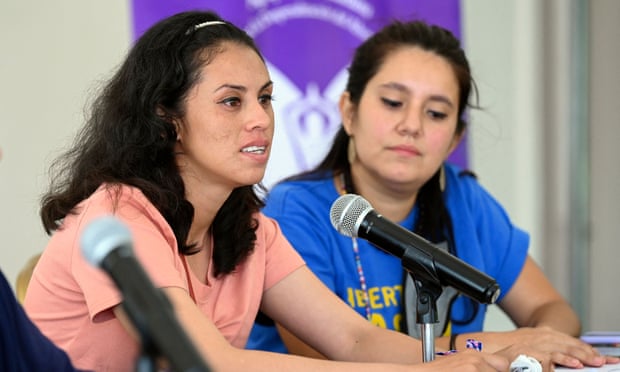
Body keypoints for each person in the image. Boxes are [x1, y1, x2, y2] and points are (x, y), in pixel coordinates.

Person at [22, 10, 527, 372]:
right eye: (230, 102)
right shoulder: (120, 217)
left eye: (264, 99)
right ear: (167, 117)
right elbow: (208, 363)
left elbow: (353, 339)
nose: (259, 120)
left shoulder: (251, 231)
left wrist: (485, 359)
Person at [246, 19, 618, 370]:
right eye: (393, 103)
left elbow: (552, 308)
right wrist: (493, 347)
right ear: (349, 111)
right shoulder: (297, 208)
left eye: (437, 113)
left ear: (456, 137)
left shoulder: (464, 200)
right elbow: (322, 355)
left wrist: (542, 342)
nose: (411, 126)